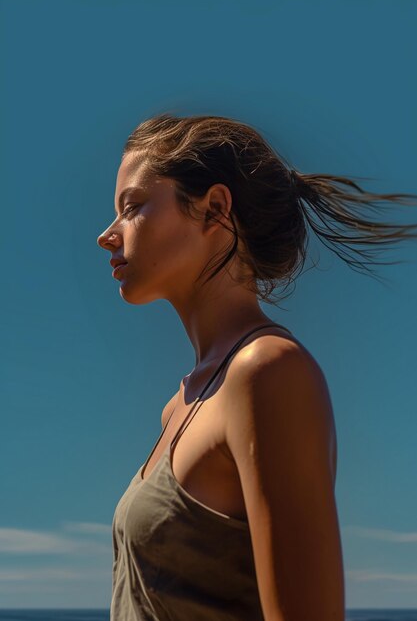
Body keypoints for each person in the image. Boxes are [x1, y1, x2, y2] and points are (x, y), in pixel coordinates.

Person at [96, 113, 417, 621]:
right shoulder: (181, 405)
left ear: (214, 209)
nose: (107, 236)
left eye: (132, 207)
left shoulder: (267, 372)